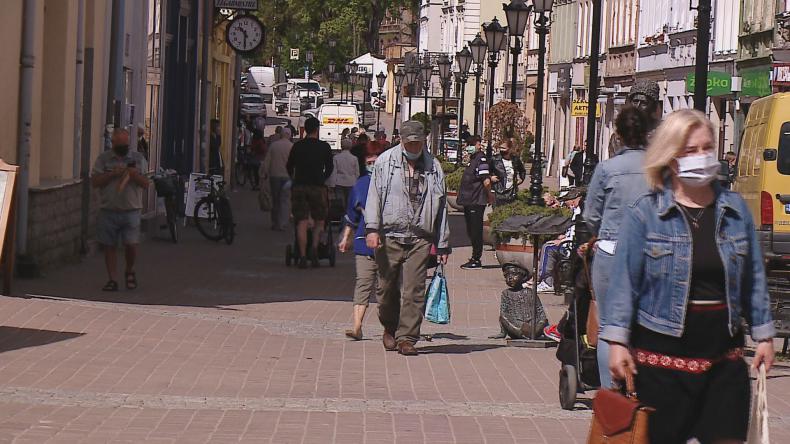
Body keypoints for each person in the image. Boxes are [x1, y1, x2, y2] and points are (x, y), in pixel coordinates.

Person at [603, 109, 775, 444]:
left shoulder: (735, 210)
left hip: (723, 360)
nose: (702, 157)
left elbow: (753, 276)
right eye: (690, 150)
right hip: (660, 364)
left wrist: (765, 334)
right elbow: (624, 283)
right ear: (670, 157)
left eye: (707, 148)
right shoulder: (647, 213)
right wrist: (616, 342)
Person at [364, 120, 452, 356]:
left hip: (420, 237)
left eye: (418, 143)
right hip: (389, 235)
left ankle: (407, 338)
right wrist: (372, 228)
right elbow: (374, 195)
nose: (413, 147)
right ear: (401, 141)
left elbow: (442, 207)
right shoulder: (385, 162)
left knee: (414, 289)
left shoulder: (434, 167)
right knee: (385, 289)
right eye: (409, 143)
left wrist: (442, 244)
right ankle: (390, 328)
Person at [583, 105, 652, 390]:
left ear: (619, 135)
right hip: (650, 253)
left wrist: (597, 234)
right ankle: (641, 388)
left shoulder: (607, 169)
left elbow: (590, 216)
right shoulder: (657, 167)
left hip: (610, 252)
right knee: (645, 325)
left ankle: (610, 395)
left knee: (610, 326)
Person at [91, 129, 150, 291]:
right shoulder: (104, 159)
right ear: (113, 143)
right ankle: (113, 279)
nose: (123, 147)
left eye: (125, 144)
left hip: (131, 209)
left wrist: (134, 175)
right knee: (109, 245)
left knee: (131, 244)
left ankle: (129, 270)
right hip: (108, 209)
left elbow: (146, 183)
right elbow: (95, 181)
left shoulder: (137, 159)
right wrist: (112, 175)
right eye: (119, 144)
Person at [338, 141, 385, 340]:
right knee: (364, 283)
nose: (372, 163)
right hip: (363, 239)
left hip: (388, 242)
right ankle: (357, 326)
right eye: (369, 160)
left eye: (375, 159)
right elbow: (352, 214)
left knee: (385, 287)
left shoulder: (390, 182)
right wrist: (345, 238)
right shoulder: (361, 183)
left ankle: (388, 327)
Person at [286, 117, 334, 268]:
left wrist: (294, 179)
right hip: (317, 187)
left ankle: (301, 255)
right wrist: (322, 178)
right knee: (320, 221)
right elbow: (330, 167)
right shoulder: (324, 147)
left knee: (301, 221)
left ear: (305, 129)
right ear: (317, 129)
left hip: (300, 186)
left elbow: (289, 166)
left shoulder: (297, 146)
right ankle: (314, 248)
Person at [536, 190, 583, 293]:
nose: (565, 203)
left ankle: (545, 281)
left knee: (548, 248)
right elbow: (572, 232)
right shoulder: (574, 211)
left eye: (566, 201)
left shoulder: (579, 212)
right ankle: (544, 280)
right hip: (569, 242)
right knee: (548, 245)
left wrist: (564, 240)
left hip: (571, 247)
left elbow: (577, 235)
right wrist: (563, 237)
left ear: (572, 201)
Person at [457, 135, 492, 270]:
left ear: (478, 145)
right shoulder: (473, 159)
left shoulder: (481, 159)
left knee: (475, 230)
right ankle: (474, 256)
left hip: (476, 200)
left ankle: (476, 258)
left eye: (471, 144)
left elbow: (486, 180)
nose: (469, 147)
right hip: (469, 200)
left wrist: (489, 195)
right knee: (471, 230)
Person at [607, 79, 661, 158]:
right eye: (635, 101)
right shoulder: (618, 137)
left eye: (644, 103)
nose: (638, 106)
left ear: (653, 106)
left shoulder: (663, 134)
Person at [263, 127, 294, 231]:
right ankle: (283, 222)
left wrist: (264, 173)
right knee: (285, 200)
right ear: (289, 135)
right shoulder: (292, 147)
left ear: (281, 134)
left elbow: (267, 161)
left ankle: (275, 222)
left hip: (274, 175)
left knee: (275, 200)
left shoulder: (274, 145)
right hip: (287, 177)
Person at [491, 139, 527, 206]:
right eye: (500, 148)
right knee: (498, 213)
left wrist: (521, 179)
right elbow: (487, 172)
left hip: (512, 191)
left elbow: (522, 170)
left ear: (509, 149)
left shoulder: (515, 159)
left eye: (504, 148)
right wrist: (490, 177)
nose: (501, 150)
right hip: (499, 191)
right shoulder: (494, 159)